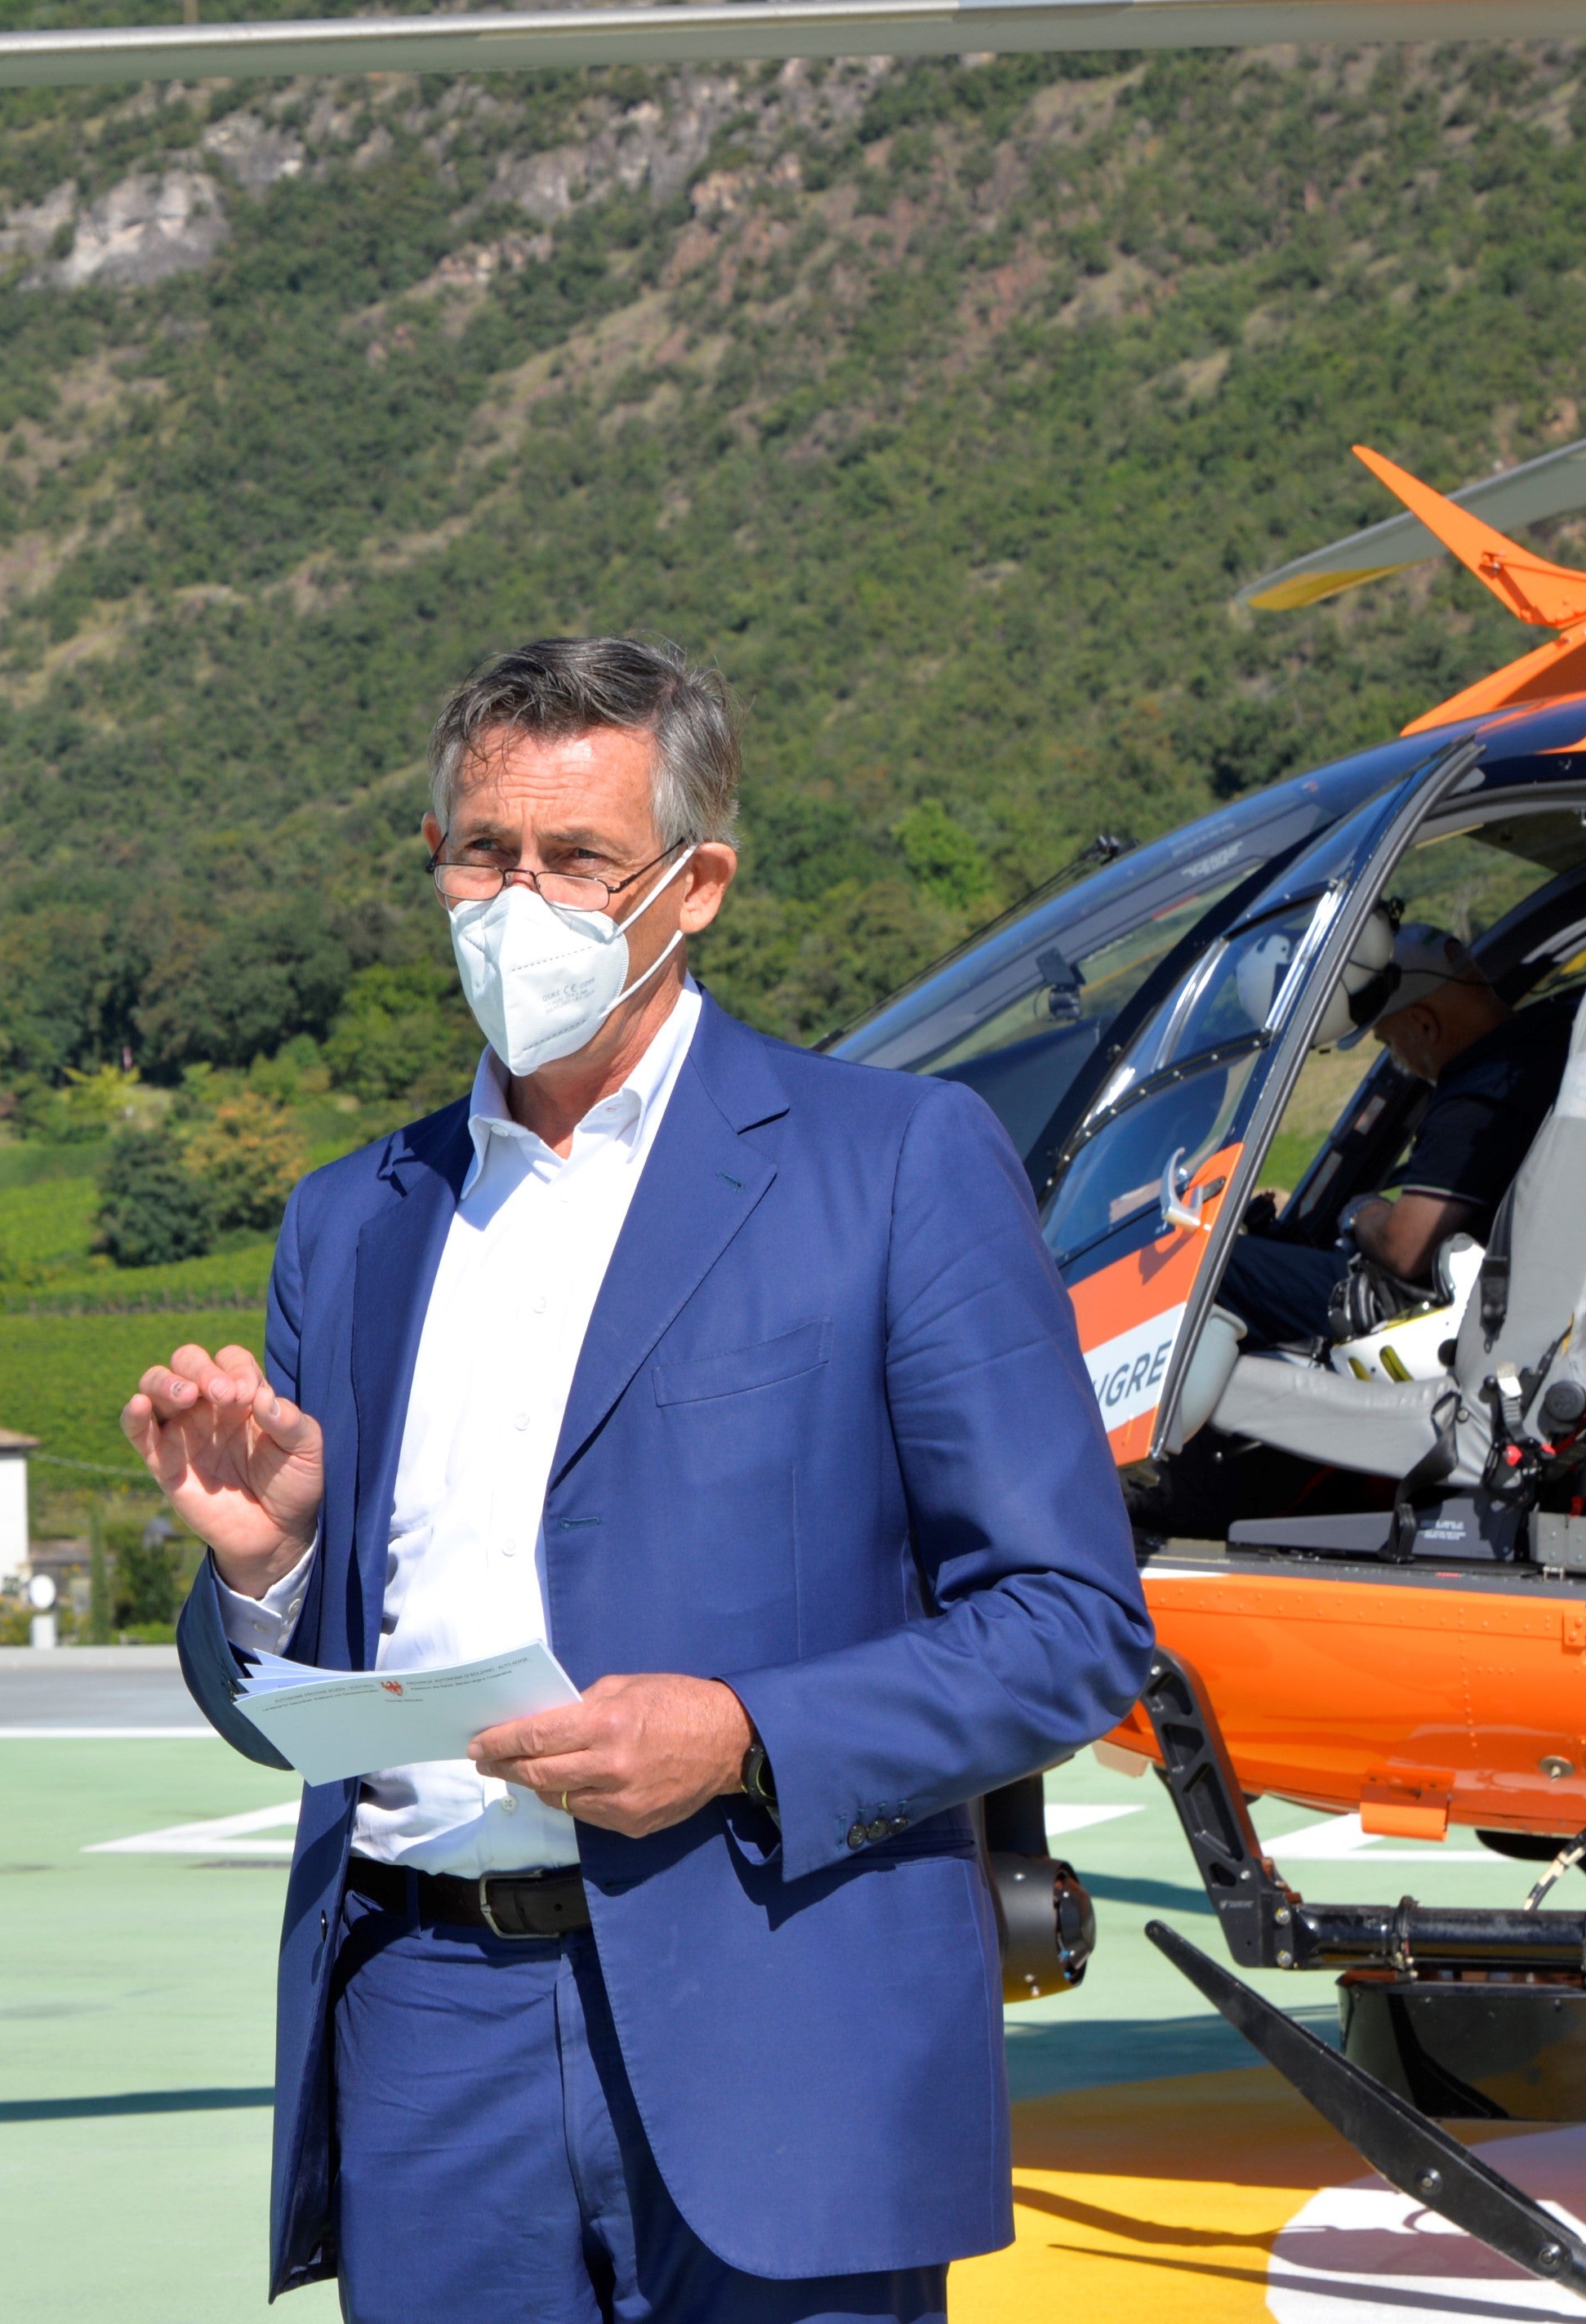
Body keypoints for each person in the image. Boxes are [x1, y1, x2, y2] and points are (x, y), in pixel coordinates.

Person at [122, 637, 1156, 2323]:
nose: (517, 901)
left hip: (779, 2001)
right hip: (431, 2016)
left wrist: (744, 1735)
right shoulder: (351, 1218)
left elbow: (1067, 1624)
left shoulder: (891, 1164)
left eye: (579, 858)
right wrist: (267, 1575)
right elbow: (274, 1708)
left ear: (695, 886)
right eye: (483, 853)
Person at [1216, 919, 1579, 1348]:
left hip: (1432, 1309)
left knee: (1220, 1269)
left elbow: (1405, 1247)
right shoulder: (1556, 1034)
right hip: (1516, 1286)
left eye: (1389, 1043)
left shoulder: (1475, 1096)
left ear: (1424, 1026)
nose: (1397, 1057)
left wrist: (1362, 1214)